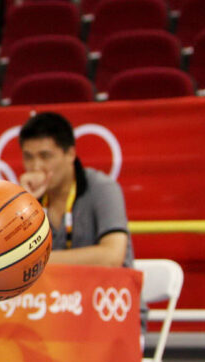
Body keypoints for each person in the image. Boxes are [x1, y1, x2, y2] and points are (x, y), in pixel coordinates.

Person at [18, 111, 133, 268]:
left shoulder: (103, 188)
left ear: (70, 154)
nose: (36, 166)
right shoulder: (26, 196)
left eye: (45, 156)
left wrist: (37, 260)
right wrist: (24, 205)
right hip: (54, 285)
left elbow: (112, 257)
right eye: (28, 157)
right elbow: (12, 262)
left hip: (106, 284)